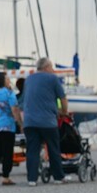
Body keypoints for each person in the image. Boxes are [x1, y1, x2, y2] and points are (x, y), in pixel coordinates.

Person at [22, 57, 71, 185]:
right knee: (53, 148)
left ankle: (32, 179)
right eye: (51, 67)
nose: (53, 70)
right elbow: (63, 98)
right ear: (46, 68)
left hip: (29, 121)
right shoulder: (52, 79)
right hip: (47, 121)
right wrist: (64, 112)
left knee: (32, 150)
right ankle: (58, 177)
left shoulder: (28, 79)